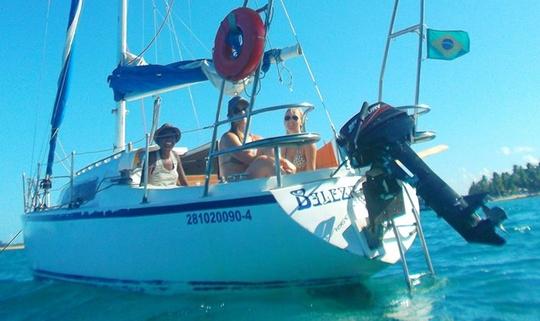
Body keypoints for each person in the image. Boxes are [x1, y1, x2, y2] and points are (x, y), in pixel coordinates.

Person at [219, 96, 296, 179]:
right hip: (235, 186)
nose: (242, 113)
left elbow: (272, 152)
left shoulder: (256, 138)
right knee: (263, 161)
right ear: (230, 117)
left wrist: (286, 164)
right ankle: (286, 180)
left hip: (254, 184)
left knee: (269, 148)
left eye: (245, 109)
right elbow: (248, 157)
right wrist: (284, 162)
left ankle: (287, 181)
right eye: (237, 111)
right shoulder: (227, 137)